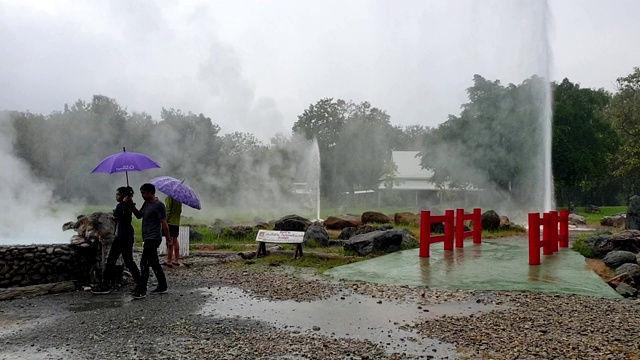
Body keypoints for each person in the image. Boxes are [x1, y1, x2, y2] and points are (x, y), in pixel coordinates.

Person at [92, 186, 142, 295]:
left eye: (118, 195)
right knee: (128, 261)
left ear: (123, 196)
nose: (116, 196)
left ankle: (105, 285)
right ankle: (140, 283)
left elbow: (117, 214)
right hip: (126, 236)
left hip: (122, 237)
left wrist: (123, 204)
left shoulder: (123, 205)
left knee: (112, 260)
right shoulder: (127, 205)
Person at [129, 183, 169, 299]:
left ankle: (142, 289)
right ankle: (162, 285)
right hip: (147, 237)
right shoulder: (146, 203)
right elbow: (139, 215)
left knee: (144, 263)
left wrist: (168, 239)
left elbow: (164, 223)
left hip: (154, 237)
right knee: (154, 262)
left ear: (150, 193)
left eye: (143, 193)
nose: (142, 195)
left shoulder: (159, 205)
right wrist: (132, 206)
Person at [164, 196, 183, 267]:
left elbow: (167, 210)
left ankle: (169, 260)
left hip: (170, 222)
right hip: (176, 222)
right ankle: (176, 260)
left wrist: (165, 220)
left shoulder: (169, 197)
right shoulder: (179, 199)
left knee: (169, 240)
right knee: (175, 240)